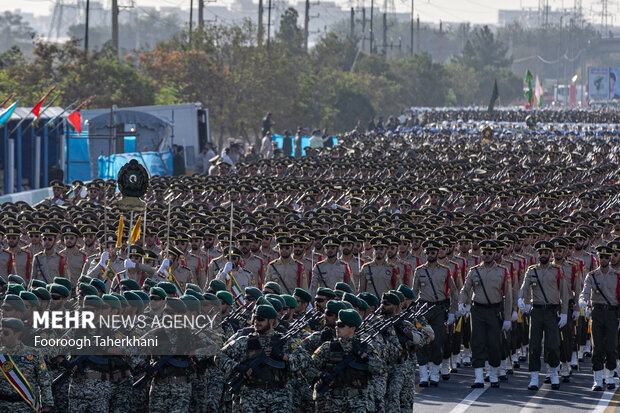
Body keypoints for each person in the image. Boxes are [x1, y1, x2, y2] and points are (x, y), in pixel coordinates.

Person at [458, 240, 513, 388]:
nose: (487, 255)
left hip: (494, 311)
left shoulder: (502, 271)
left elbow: (508, 296)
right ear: (481, 253)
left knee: (494, 343)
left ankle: (493, 374)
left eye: (490, 253)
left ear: (495, 253)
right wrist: (461, 302)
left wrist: (508, 317)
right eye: (485, 252)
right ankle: (478, 377)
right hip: (478, 311)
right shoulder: (474, 271)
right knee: (477, 342)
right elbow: (465, 289)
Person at [518, 240, 569, 391]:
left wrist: (564, 313)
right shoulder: (532, 271)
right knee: (534, 345)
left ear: (550, 254)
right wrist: (521, 298)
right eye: (540, 252)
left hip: (552, 311)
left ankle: (553, 373)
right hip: (537, 311)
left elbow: (565, 294)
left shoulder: (558, 270)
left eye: (546, 252)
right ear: (537, 254)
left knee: (553, 345)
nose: (543, 255)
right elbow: (524, 287)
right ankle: (534, 377)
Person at [579, 245, 619, 391]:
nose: (603, 259)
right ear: (597, 258)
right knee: (597, 347)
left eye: (606, 257)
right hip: (596, 312)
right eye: (601, 257)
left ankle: (609, 377)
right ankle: (597, 379)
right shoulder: (592, 275)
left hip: (611, 314)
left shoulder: (616, 275)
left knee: (611, 347)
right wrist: (583, 301)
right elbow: (585, 292)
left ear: (609, 259)